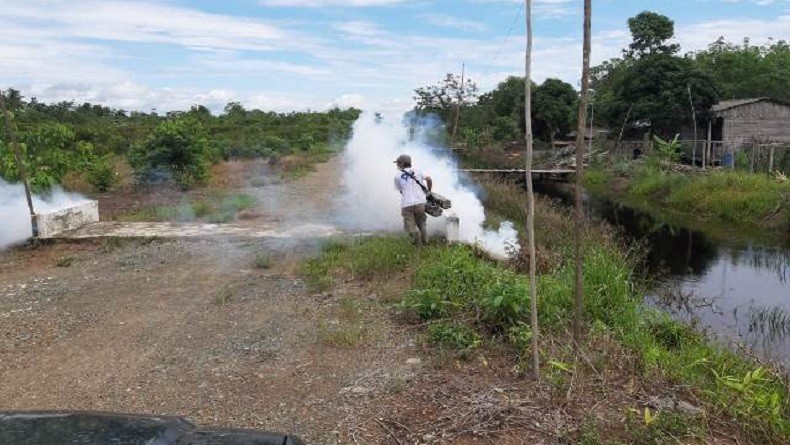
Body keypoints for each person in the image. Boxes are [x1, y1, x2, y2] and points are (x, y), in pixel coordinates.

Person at [393, 154, 432, 247]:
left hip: (407, 205)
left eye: (398, 163)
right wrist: (429, 191)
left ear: (402, 164)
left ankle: (418, 245)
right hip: (420, 203)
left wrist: (408, 196)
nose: (397, 165)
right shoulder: (418, 170)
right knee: (421, 224)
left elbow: (401, 191)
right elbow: (429, 179)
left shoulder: (397, 176)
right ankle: (426, 243)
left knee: (410, 227)